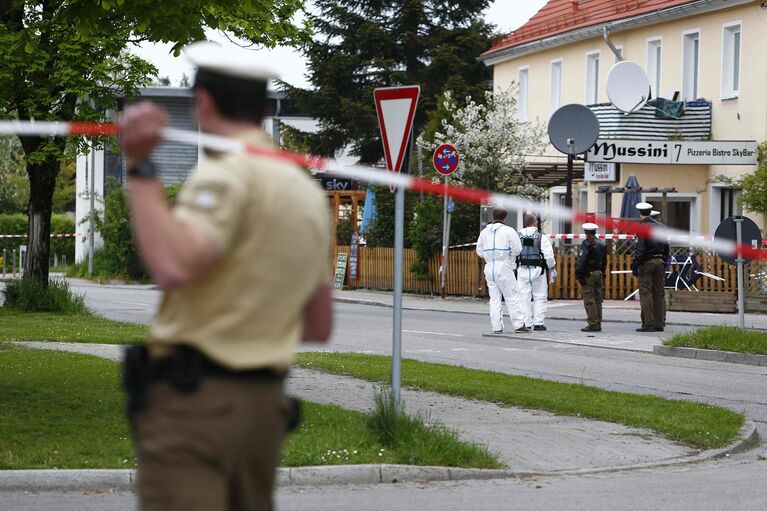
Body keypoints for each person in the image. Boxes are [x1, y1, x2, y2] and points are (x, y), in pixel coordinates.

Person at [119, 41, 332, 511]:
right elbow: (319, 325)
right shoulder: (306, 194)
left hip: (197, 406)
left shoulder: (225, 175)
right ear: (262, 109)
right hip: (264, 410)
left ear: (204, 102)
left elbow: (174, 264)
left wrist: (139, 165)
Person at [476, 207, 526, 333]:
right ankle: (519, 324)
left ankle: (496, 327)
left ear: (493, 216)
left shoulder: (484, 232)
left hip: (489, 267)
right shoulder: (509, 231)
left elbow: (479, 251)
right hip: (504, 266)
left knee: (494, 299)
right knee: (512, 296)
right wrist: (510, 257)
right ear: (505, 218)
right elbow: (518, 249)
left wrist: (489, 256)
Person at [632, 202, 669, 332]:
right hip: (660, 261)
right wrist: (664, 260)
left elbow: (640, 250)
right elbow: (666, 247)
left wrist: (635, 265)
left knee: (645, 293)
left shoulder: (642, 227)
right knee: (659, 293)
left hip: (647, 262)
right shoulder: (661, 227)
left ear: (640, 213)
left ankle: (648, 323)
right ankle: (659, 323)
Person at [516, 213, 556, 331]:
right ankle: (538, 323)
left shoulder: (518, 236)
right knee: (540, 296)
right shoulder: (541, 237)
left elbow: (513, 252)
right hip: (538, 270)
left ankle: (526, 323)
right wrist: (552, 267)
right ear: (535, 223)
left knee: (523, 297)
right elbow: (548, 255)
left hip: (522, 269)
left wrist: (513, 266)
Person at [575, 222, 607, 332]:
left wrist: (578, 274)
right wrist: (602, 272)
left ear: (586, 232)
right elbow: (604, 262)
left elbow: (582, 261)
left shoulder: (586, 244)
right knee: (598, 299)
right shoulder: (602, 244)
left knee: (589, 300)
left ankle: (593, 323)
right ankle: (598, 322)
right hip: (599, 273)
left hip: (589, 274)